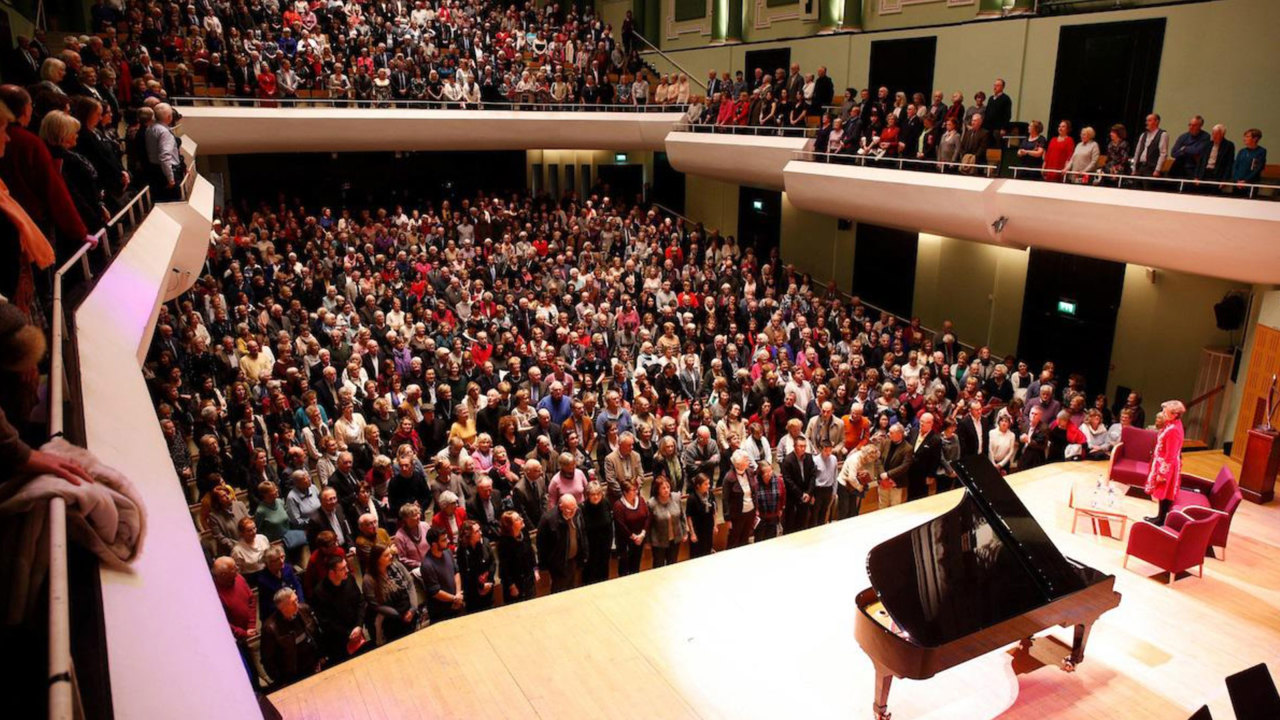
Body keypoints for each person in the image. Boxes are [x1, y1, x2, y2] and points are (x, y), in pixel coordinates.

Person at [309, 555, 367, 665]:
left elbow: (360, 602)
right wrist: (349, 633)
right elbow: (326, 622)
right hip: (337, 642)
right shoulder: (319, 592)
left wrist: (359, 625)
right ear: (332, 573)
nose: (347, 570)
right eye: (342, 569)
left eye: (346, 567)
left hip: (357, 631)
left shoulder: (349, 579)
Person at [260, 587, 321, 687]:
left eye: (297, 599)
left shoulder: (304, 609)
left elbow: (317, 634)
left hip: (313, 665)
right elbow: (268, 660)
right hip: (292, 676)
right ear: (283, 607)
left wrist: (320, 657)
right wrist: (281, 681)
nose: (298, 603)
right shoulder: (270, 628)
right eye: (294, 602)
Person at [362, 544, 416, 643]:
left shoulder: (396, 565)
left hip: (408, 612)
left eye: (390, 553)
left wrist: (412, 609)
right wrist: (399, 615)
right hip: (389, 620)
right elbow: (375, 605)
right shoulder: (369, 579)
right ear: (377, 560)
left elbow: (410, 584)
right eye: (386, 555)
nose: (390, 556)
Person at [1144, 400, 1186, 526]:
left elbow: (1171, 454)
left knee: (1164, 492)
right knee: (1162, 492)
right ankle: (1160, 517)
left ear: (1174, 414)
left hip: (1168, 466)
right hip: (1162, 462)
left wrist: (1163, 473)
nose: (1162, 413)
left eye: (1165, 411)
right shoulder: (1171, 424)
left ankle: (1161, 519)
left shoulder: (1174, 429)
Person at [538, 493, 587, 591]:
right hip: (558, 564)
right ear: (560, 507)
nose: (573, 512)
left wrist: (584, 554)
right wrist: (544, 566)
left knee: (572, 587)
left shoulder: (577, 512)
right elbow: (542, 545)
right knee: (559, 591)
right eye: (569, 509)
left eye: (574, 508)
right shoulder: (548, 519)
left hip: (573, 559)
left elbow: (582, 533)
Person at [419, 527, 463, 622]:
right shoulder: (427, 565)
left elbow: (456, 572)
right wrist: (455, 599)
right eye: (444, 540)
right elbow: (435, 592)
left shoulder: (447, 552)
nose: (448, 541)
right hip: (441, 612)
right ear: (434, 544)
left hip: (456, 604)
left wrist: (458, 593)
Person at [497, 510, 538, 603]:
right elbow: (504, 568)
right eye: (517, 519)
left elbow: (531, 552)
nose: (522, 519)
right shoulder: (504, 543)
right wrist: (511, 586)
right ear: (509, 526)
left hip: (528, 580)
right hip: (514, 584)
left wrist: (535, 569)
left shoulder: (524, 532)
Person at [456, 520, 496, 613]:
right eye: (477, 531)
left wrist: (489, 581)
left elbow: (492, 563)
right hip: (473, 594)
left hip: (488, 589)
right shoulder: (462, 551)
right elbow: (466, 574)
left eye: (480, 530)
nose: (480, 533)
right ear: (469, 535)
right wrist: (480, 587)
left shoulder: (485, 542)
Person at [647, 475, 686, 569]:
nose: (666, 490)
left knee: (672, 565)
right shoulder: (651, 503)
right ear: (657, 490)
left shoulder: (676, 497)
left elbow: (682, 516)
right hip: (658, 541)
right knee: (658, 566)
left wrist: (684, 532)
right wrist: (648, 541)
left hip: (675, 539)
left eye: (668, 487)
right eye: (663, 488)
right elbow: (648, 524)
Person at [580, 481, 614, 584]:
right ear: (587, 495)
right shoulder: (582, 508)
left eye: (598, 494)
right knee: (590, 576)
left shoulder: (606, 503)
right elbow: (582, 532)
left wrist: (610, 544)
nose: (596, 497)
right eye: (592, 494)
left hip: (605, 547)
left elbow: (610, 525)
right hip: (590, 549)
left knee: (604, 573)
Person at [612, 479, 649, 576]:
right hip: (625, 543)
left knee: (636, 566)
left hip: (640, 539)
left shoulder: (640, 500)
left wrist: (642, 534)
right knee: (624, 569)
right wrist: (633, 537)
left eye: (636, 489)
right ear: (625, 492)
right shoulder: (618, 505)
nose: (636, 492)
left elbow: (647, 517)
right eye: (633, 490)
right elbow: (621, 525)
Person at [780, 435, 816, 533]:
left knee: (802, 523)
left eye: (804, 446)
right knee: (791, 524)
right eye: (800, 446)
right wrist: (801, 494)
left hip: (806, 496)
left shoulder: (809, 457)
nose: (803, 448)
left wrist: (809, 493)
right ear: (794, 446)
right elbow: (788, 481)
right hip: (793, 497)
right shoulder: (787, 460)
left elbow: (813, 476)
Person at [837, 443, 879, 519]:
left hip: (852, 486)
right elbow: (851, 478)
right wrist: (859, 487)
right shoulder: (855, 460)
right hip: (844, 485)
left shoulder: (862, 457)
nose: (872, 460)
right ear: (867, 455)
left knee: (853, 510)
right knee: (844, 510)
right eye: (872, 457)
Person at [906, 413, 941, 501]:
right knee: (909, 496)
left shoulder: (935, 439)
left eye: (925, 422)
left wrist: (931, 475)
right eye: (921, 421)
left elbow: (936, 459)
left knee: (920, 497)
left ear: (931, 424)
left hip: (923, 474)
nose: (922, 424)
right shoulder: (913, 431)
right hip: (910, 471)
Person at [879, 423, 913, 507]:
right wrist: (883, 475)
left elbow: (905, 466)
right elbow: (878, 460)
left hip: (896, 482)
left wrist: (888, 475)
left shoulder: (907, 448)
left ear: (899, 434)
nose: (888, 434)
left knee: (895, 506)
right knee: (882, 505)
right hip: (882, 481)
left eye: (891, 433)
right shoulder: (885, 442)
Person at [685, 473, 717, 558]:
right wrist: (692, 533)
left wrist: (715, 525)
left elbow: (714, 511)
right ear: (698, 486)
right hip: (697, 529)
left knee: (708, 550)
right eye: (706, 484)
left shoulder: (710, 494)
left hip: (708, 527)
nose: (708, 486)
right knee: (697, 553)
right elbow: (689, 517)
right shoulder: (692, 498)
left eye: (709, 483)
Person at [1132, 113, 1169, 180]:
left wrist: (1157, 170)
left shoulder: (1162, 134)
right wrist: (1134, 168)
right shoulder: (1143, 135)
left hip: (1151, 168)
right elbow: (1137, 152)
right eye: (1146, 121)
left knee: (1147, 188)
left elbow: (1163, 154)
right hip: (1140, 167)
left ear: (1156, 122)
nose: (1146, 123)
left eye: (1149, 120)